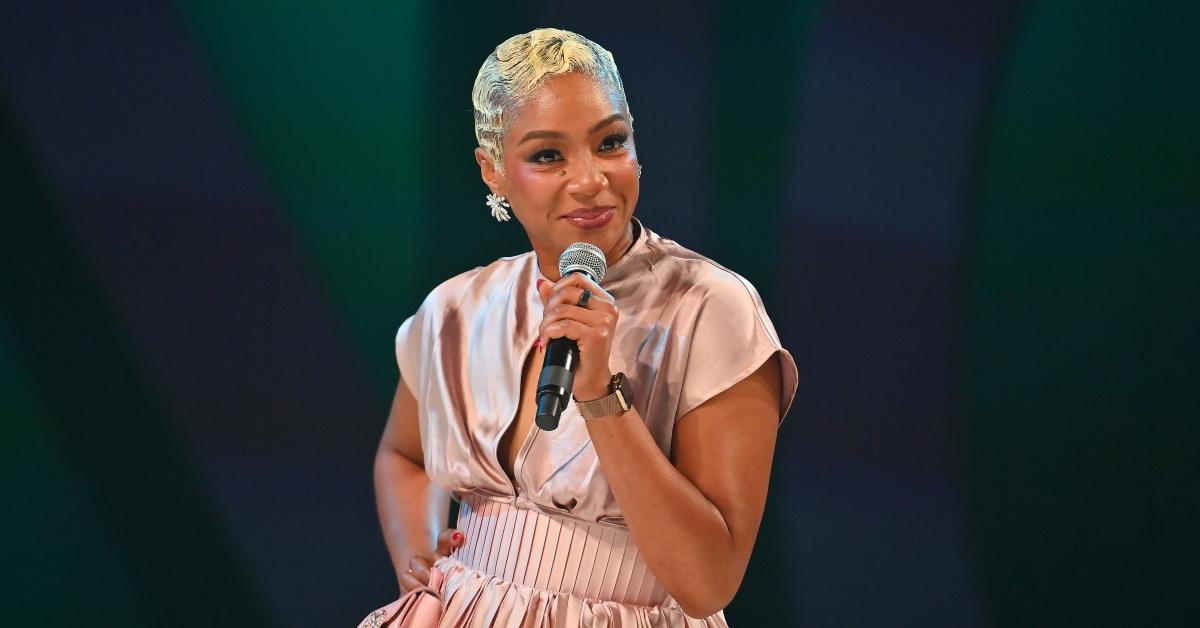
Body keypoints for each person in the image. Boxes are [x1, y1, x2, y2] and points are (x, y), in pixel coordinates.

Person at [370, 27, 798, 627]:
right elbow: (402, 454)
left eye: (610, 142)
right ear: (492, 170)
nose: (590, 180)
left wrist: (600, 396)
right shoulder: (457, 309)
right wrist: (418, 556)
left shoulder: (711, 308)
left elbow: (708, 583)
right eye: (548, 155)